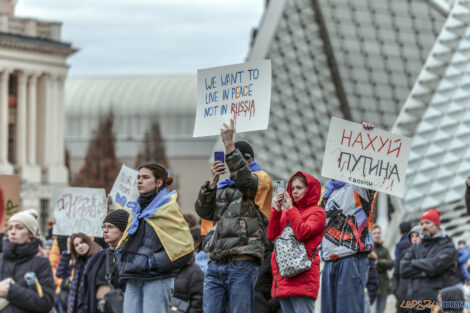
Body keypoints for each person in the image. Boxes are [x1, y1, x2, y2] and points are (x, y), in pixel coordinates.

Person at [195, 119, 272, 313]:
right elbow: (204, 213)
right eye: (229, 159)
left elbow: (245, 180)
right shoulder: (224, 186)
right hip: (217, 262)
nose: (230, 165)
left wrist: (229, 145)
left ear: (249, 161)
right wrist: (212, 184)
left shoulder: (261, 180)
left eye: (235, 159)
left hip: (242, 262)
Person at [116, 162, 194, 313]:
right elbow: (126, 239)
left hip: (156, 280)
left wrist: (151, 263)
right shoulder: (137, 209)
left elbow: (185, 249)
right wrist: (120, 255)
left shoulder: (167, 208)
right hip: (133, 277)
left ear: (159, 182)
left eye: (145, 177)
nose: (139, 181)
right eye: (138, 178)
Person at [320, 122, 377, 313]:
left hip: (351, 258)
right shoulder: (327, 192)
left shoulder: (358, 186)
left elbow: (372, 170)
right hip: (329, 260)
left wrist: (366, 139)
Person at [267, 172, 326, 313]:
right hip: (284, 276)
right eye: (292, 188)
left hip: (303, 277)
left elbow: (303, 233)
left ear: (309, 189)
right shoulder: (287, 211)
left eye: (299, 188)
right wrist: (276, 210)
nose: (294, 192)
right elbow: (272, 235)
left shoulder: (317, 213)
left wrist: (290, 209)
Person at [400, 209, 461, 313]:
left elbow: (435, 266)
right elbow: (403, 270)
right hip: (417, 304)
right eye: (422, 223)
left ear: (437, 225)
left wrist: (413, 263)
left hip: (439, 304)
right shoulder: (415, 247)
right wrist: (426, 269)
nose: (423, 226)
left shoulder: (447, 246)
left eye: (427, 223)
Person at [0, 211, 55, 313]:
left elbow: (46, 302)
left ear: (30, 233)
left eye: (19, 228)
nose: (12, 231)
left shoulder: (41, 263)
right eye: (10, 228)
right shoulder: (1, 260)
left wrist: (11, 291)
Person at [78, 209, 130, 313]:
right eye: (104, 226)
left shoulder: (131, 257)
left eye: (110, 227)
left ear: (123, 230)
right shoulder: (97, 258)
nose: (105, 230)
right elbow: (85, 288)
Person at [56, 233, 101, 313]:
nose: (80, 246)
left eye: (82, 242)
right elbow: (60, 274)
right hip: (75, 307)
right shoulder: (77, 262)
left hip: (90, 305)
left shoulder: (97, 259)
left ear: (88, 242)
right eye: (76, 245)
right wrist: (69, 252)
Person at [392, 225, 421, 313]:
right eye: (412, 236)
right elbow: (396, 274)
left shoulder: (427, 255)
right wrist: (396, 290)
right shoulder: (404, 254)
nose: (414, 239)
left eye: (417, 236)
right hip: (403, 299)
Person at [370, 225, 393, 313]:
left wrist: (378, 261)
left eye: (378, 233)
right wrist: (383, 262)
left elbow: (390, 264)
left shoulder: (385, 249)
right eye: (374, 233)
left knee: (381, 311)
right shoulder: (368, 249)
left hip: (383, 286)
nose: (377, 235)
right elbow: (370, 266)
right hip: (372, 286)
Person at [253, 242, 280, 313]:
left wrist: (267, 306)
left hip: (263, 303)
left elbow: (282, 285)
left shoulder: (274, 255)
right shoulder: (251, 258)